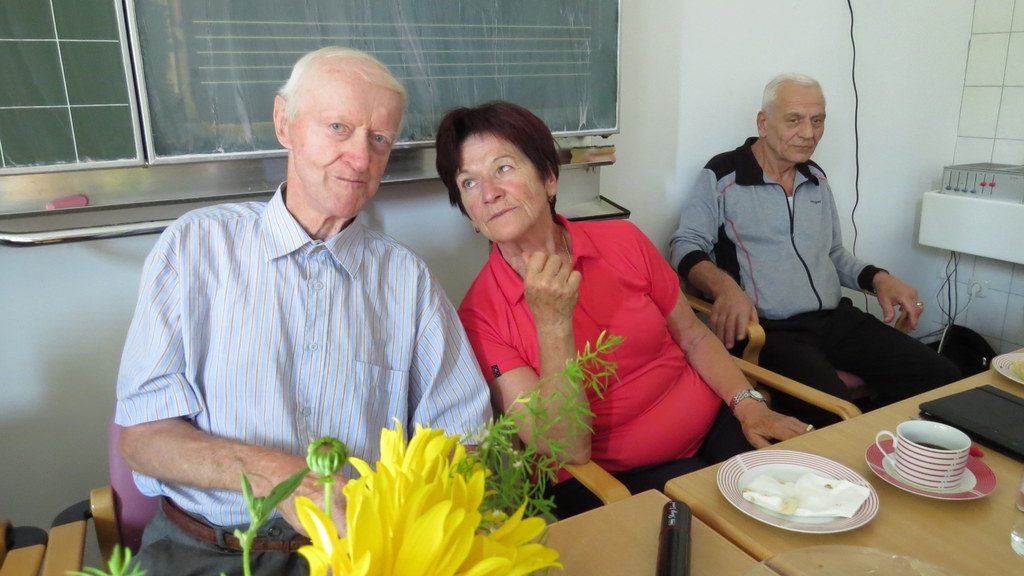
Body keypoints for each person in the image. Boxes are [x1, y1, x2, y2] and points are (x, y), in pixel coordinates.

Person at [115, 47, 491, 576]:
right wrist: (285, 478)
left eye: (379, 139)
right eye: (338, 127)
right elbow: (144, 439)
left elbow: (464, 441)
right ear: (283, 123)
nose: (360, 158)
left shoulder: (408, 281)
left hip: (355, 552)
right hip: (205, 550)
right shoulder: (195, 248)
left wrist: (407, 535)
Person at [434, 101, 811, 518]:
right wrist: (552, 323)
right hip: (612, 482)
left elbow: (693, 336)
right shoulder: (478, 318)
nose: (489, 192)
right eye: (469, 182)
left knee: (804, 497)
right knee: (727, 529)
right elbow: (567, 446)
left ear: (549, 178)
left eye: (503, 168)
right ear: (470, 215)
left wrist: (747, 403)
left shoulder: (623, 240)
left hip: (715, 427)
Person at [669, 72, 960, 424]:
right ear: (763, 123)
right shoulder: (723, 175)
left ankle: (905, 451)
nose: (808, 133)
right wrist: (726, 289)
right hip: (770, 330)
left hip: (835, 319)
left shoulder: (815, 177)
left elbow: (833, 254)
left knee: (945, 382)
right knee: (835, 416)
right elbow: (686, 246)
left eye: (817, 120)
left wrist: (879, 278)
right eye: (794, 120)